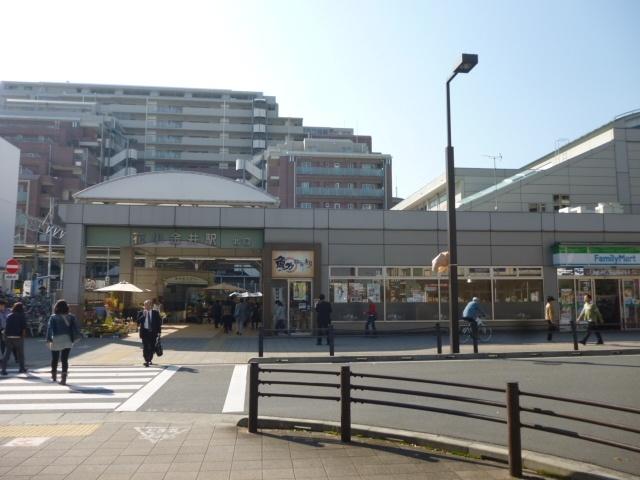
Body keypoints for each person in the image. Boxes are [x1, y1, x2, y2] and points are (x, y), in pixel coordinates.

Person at [46, 300, 80, 384]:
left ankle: (54, 375)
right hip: (67, 339)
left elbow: (49, 329)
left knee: (55, 358)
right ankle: (64, 378)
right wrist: (76, 337)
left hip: (56, 339)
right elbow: (76, 328)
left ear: (56, 307)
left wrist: (48, 339)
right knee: (64, 359)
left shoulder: (53, 317)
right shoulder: (71, 317)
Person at [1, 302, 27, 375]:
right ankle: (22, 368)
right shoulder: (22, 316)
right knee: (20, 354)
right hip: (18, 337)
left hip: (8, 336)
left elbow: (7, 326)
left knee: (7, 353)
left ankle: (3, 369)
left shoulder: (9, 315)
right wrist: (23, 336)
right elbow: (24, 327)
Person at [137, 299, 162, 367]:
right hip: (144, 332)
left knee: (151, 347)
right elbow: (138, 322)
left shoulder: (155, 313)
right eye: (145, 305)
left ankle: (150, 359)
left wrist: (159, 332)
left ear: (151, 305)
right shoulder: (141, 312)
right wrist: (143, 316)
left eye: (148, 305)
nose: (147, 306)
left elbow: (158, 323)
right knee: (145, 347)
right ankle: (147, 360)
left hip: (153, 333)